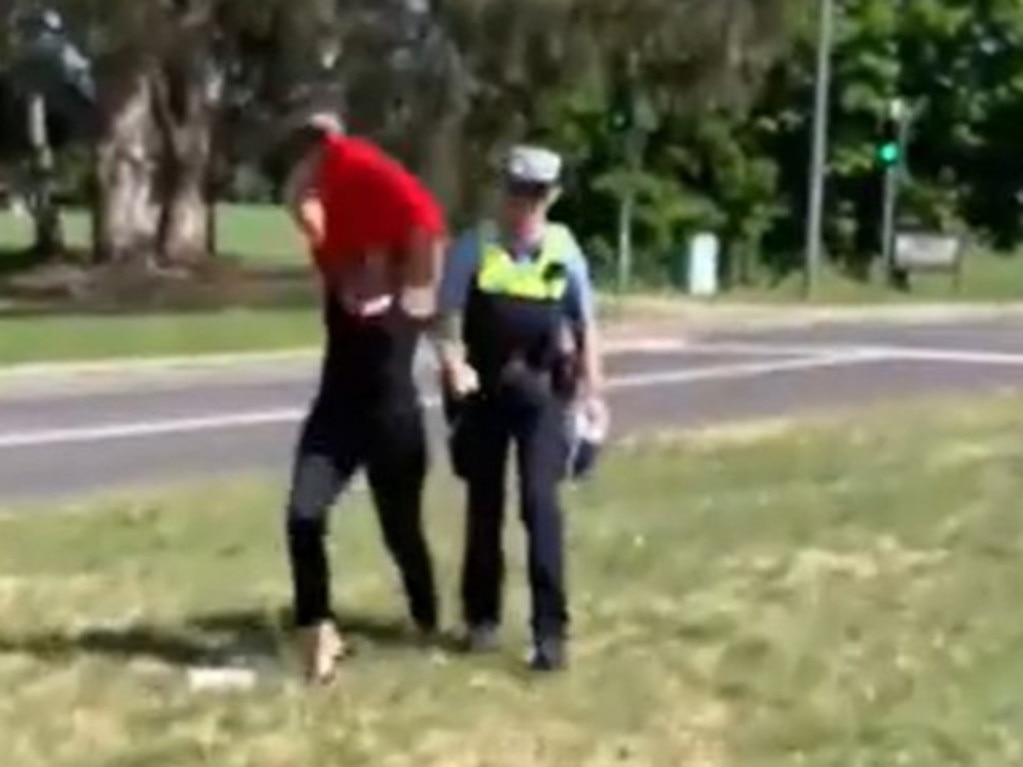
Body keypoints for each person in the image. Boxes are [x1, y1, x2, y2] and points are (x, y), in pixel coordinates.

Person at [277, 111, 447, 683]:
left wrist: (454, 357)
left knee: (402, 533)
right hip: (337, 414)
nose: (361, 271)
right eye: (355, 259)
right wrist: (315, 163)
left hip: (393, 424)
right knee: (303, 515)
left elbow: (422, 225)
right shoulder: (334, 268)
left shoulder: (410, 303)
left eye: (374, 260)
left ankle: (426, 616)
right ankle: (315, 630)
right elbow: (305, 205)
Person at [432, 144, 607, 671]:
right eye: (515, 192)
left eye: (534, 195)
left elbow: (586, 325)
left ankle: (550, 634)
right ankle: (481, 619)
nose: (523, 205)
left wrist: (594, 394)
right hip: (483, 393)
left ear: (550, 197)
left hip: (542, 393)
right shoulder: (475, 247)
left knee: (540, 505)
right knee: (484, 507)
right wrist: (452, 363)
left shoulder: (564, 250)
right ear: (501, 192)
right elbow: (446, 319)